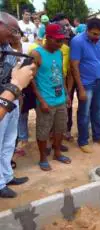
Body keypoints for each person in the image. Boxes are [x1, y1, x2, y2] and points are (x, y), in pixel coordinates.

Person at [30, 24, 71, 171]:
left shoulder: (59, 53)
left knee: (60, 128)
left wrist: (66, 94)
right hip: (46, 101)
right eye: (57, 40)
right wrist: (41, 100)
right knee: (43, 130)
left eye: (62, 41)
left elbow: (60, 75)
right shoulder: (36, 54)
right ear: (48, 38)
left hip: (60, 99)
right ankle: (43, 158)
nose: (61, 44)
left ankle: (57, 153)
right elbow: (31, 79)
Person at [70, 18, 100, 153]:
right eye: (94, 34)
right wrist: (80, 88)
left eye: (99, 34)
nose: (97, 37)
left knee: (98, 110)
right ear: (87, 30)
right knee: (84, 113)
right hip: (85, 83)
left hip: (99, 81)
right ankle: (83, 141)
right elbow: (74, 66)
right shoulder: (77, 41)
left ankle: (98, 136)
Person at [0, 12, 30, 198]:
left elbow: (15, 68)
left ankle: (7, 175)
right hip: (2, 102)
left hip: (12, 100)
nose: (14, 34)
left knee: (9, 141)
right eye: (12, 30)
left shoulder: (6, 46)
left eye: (17, 31)